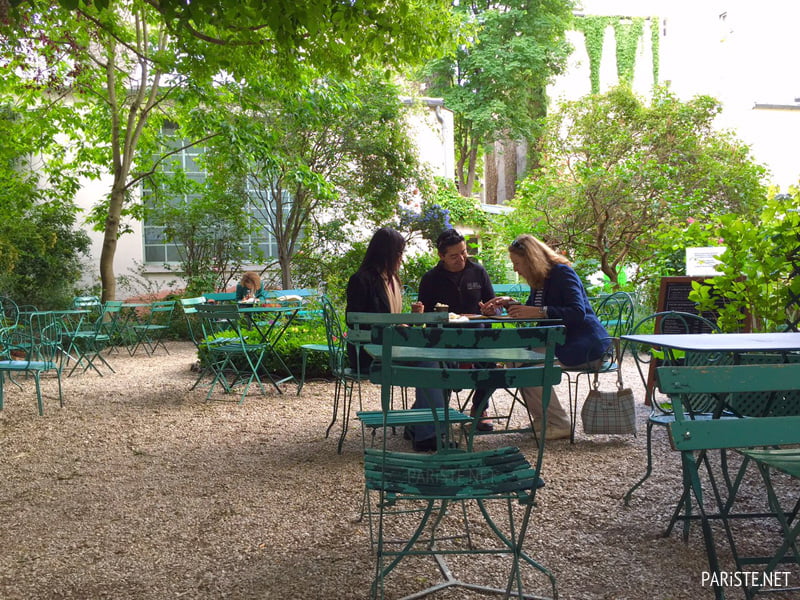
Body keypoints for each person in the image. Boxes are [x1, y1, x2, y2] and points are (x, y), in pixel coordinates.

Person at [480, 234, 610, 440]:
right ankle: (543, 419)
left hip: (585, 347)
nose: (515, 269)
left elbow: (577, 312)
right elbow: (537, 310)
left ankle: (560, 423)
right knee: (514, 361)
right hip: (561, 344)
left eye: (517, 263)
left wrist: (539, 312)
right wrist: (510, 303)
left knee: (528, 367)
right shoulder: (540, 279)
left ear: (531, 259)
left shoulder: (563, 273)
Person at [345, 227, 449, 452]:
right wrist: (393, 327)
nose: (402, 257)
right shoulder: (361, 280)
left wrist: (408, 320)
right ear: (387, 253)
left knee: (438, 360)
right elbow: (354, 323)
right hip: (368, 353)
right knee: (431, 363)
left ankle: (418, 425)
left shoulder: (392, 280)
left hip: (393, 347)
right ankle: (426, 434)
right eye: (399, 252)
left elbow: (392, 322)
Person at [414, 228, 497, 431]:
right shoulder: (431, 278)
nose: (461, 258)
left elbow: (492, 304)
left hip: (478, 336)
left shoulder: (478, 271)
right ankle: (430, 411)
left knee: (491, 365)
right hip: (444, 338)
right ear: (441, 256)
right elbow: (424, 317)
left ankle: (480, 409)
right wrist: (420, 313)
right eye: (454, 255)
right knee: (437, 366)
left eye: (464, 252)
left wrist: (490, 309)